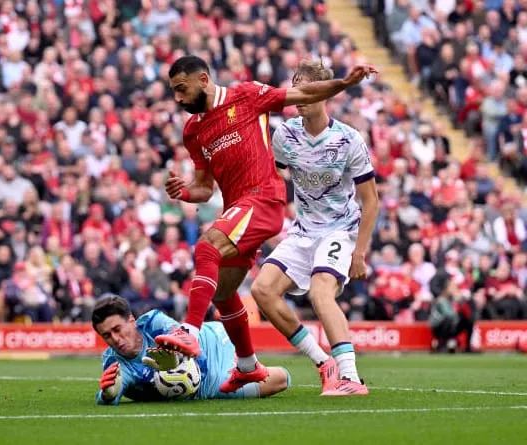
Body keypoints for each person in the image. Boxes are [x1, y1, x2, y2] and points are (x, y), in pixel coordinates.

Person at [156, 55, 376, 393]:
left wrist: (345, 83)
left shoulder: (248, 96)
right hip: (274, 220)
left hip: (270, 204)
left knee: (208, 246)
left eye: (181, 89)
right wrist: (184, 191)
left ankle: (191, 331)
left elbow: (301, 95)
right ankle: (251, 366)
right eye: (173, 92)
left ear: (202, 79)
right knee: (230, 291)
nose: (178, 99)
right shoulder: (196, 131)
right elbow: (203, 187)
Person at [250, 61, 379, 396]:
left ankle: (350, 377)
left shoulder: (349, 139)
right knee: (262, 290)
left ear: (325, 93)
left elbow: (371, 200)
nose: (299, 97)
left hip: (340, 231)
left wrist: (360, 252)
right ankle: (325, 364)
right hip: (303, 231)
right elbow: (272, 182)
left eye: (307, 89)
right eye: (296, 90)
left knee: (320, 291)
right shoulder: (285, 135)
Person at [92, 294, 290, 405]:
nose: (115, 340)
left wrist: (176, 362)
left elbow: (191, 346)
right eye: (107, 335)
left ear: (132, 321)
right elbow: (111, 393)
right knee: (280, 380)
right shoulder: (114, 361)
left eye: (117, 329)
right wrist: (107, 395)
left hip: (214, 340)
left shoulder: (154, 321)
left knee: (283, 378)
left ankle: (247, 364)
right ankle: (248, 366)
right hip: (211, 385)